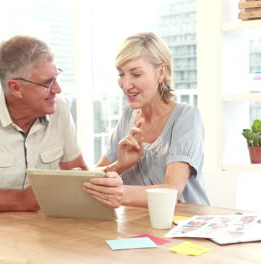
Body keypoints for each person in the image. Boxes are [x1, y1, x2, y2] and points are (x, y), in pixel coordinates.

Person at [0, 35, 123, 213]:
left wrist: (112, 173)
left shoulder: (59, 109)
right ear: (16, 88)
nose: (57, 90)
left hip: (41, 232)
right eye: (47, 83)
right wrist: (21, 200)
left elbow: (80, 177)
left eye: (56, 77)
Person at [83, 32, 210, 207]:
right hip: (139, 226)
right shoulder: (128, 115)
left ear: (161, 72)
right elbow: (93, 177)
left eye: (135, 74)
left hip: (185, 225)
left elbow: (172, 190)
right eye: (121, 74)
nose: (126, 85)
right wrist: (119, 165)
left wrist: (121, 194)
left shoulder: (186, 117)